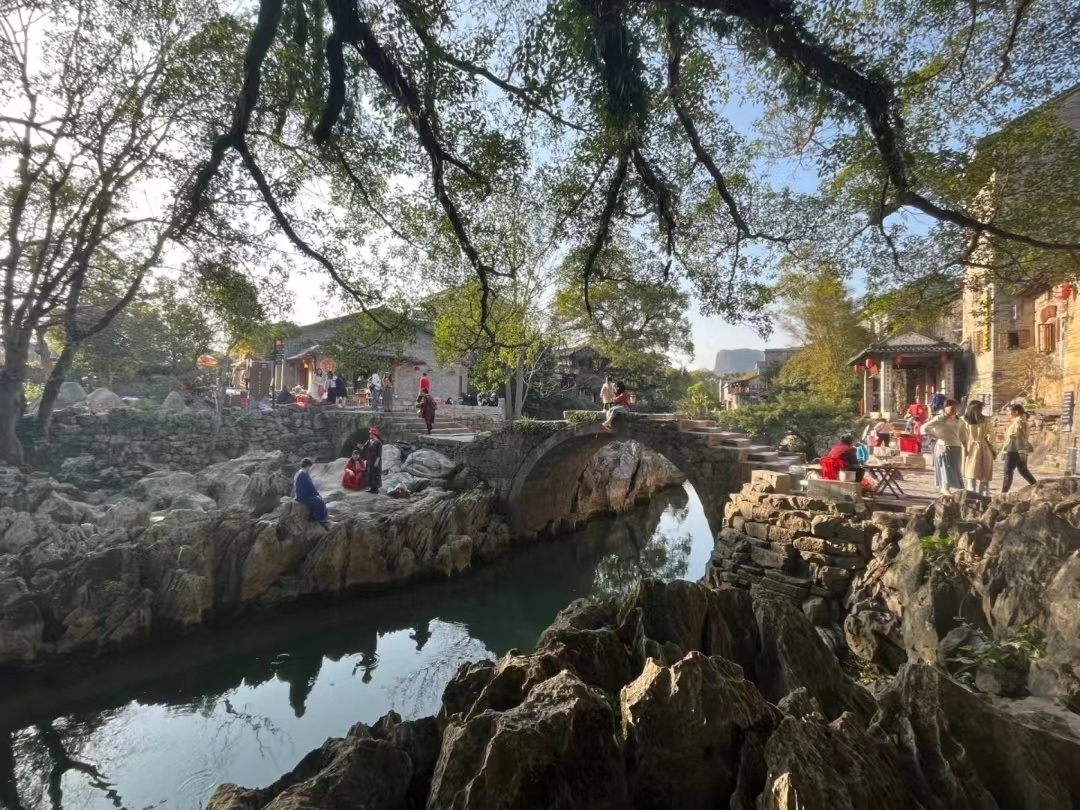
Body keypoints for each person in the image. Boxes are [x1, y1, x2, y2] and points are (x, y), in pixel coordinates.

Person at [924, 398, 964, 495]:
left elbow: (963, 434)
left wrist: (965, 445)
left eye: (955, 408)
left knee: (955, 468)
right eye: (951, 408)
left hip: (956, 446)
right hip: (944, 446)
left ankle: (952, 486)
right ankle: (944, 487)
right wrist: (935, 435)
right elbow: (925, 427)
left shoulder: (959, 420)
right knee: (945, 467)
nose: (954, 410)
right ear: (945, 408)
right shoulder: (939, 418)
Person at [959, 400, 995, 496]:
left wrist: (963, 447)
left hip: (969, 449)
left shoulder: (963, 420)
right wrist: (993, 449)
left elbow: (960, 436)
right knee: (983, 479)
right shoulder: (985, 420)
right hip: (983, 448)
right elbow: (991, 437)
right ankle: (984, 499)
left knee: (971, 477)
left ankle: (972, 499)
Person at [1001, 404, 1037, 493]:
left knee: (1008, 471)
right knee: (1023, 470)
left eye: (1009, 411)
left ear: (1016, 412)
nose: (1007, 413)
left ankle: (1003, 493)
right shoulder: (1020, 421)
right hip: (1018, 448)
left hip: (1014, 449)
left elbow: (1020, 437)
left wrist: (1021, 451)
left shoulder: (1019, 422)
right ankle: (1036, 486)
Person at [292, 458, 328, 522]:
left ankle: (317, 517)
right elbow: (310, 486)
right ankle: (319, 519)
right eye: (310, 466)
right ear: (308, 466)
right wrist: (317, 494)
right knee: (320, 502)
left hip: (299, 495)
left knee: (317, 501)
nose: (310, 468)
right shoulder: (303, 474)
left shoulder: (298, 473)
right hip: (303, 497)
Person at [361, 427, 383, 494]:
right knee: (370, 472)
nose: (370, 435)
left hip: (375, 459)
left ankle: (376, 489)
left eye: (371, 434)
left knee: (375, 473)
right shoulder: (368, 441)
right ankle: (371, 487)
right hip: (370, 459)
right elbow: (364, 449)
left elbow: (379, 453)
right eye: (370, 434)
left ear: (374, 434)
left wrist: (377, 461)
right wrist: (361, 447)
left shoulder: (378, 442)